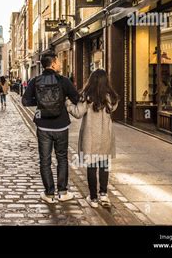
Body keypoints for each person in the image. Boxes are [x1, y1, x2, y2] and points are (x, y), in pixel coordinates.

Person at [22, 53, 80, 204]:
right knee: (62, 158)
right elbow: (76, 98)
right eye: (58, 61)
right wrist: (63, 100)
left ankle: (49, 194)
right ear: (53, 64)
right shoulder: (63, 81)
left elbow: (25, 101)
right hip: (61, 126)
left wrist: (41, 103)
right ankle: (63, 192)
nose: (60, 63)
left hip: (43, 126)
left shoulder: (35, 81)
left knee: (45, 160)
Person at [65, 69, 119, 208]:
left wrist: (68, 105)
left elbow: (77, 113)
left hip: (90, 138)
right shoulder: (111, 97)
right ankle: (103, 195)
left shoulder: (87, 97)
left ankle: (93, 198)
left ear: (92, 80)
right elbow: (113, 109)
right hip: (105, 137)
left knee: (92, 167)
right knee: (104, 167)